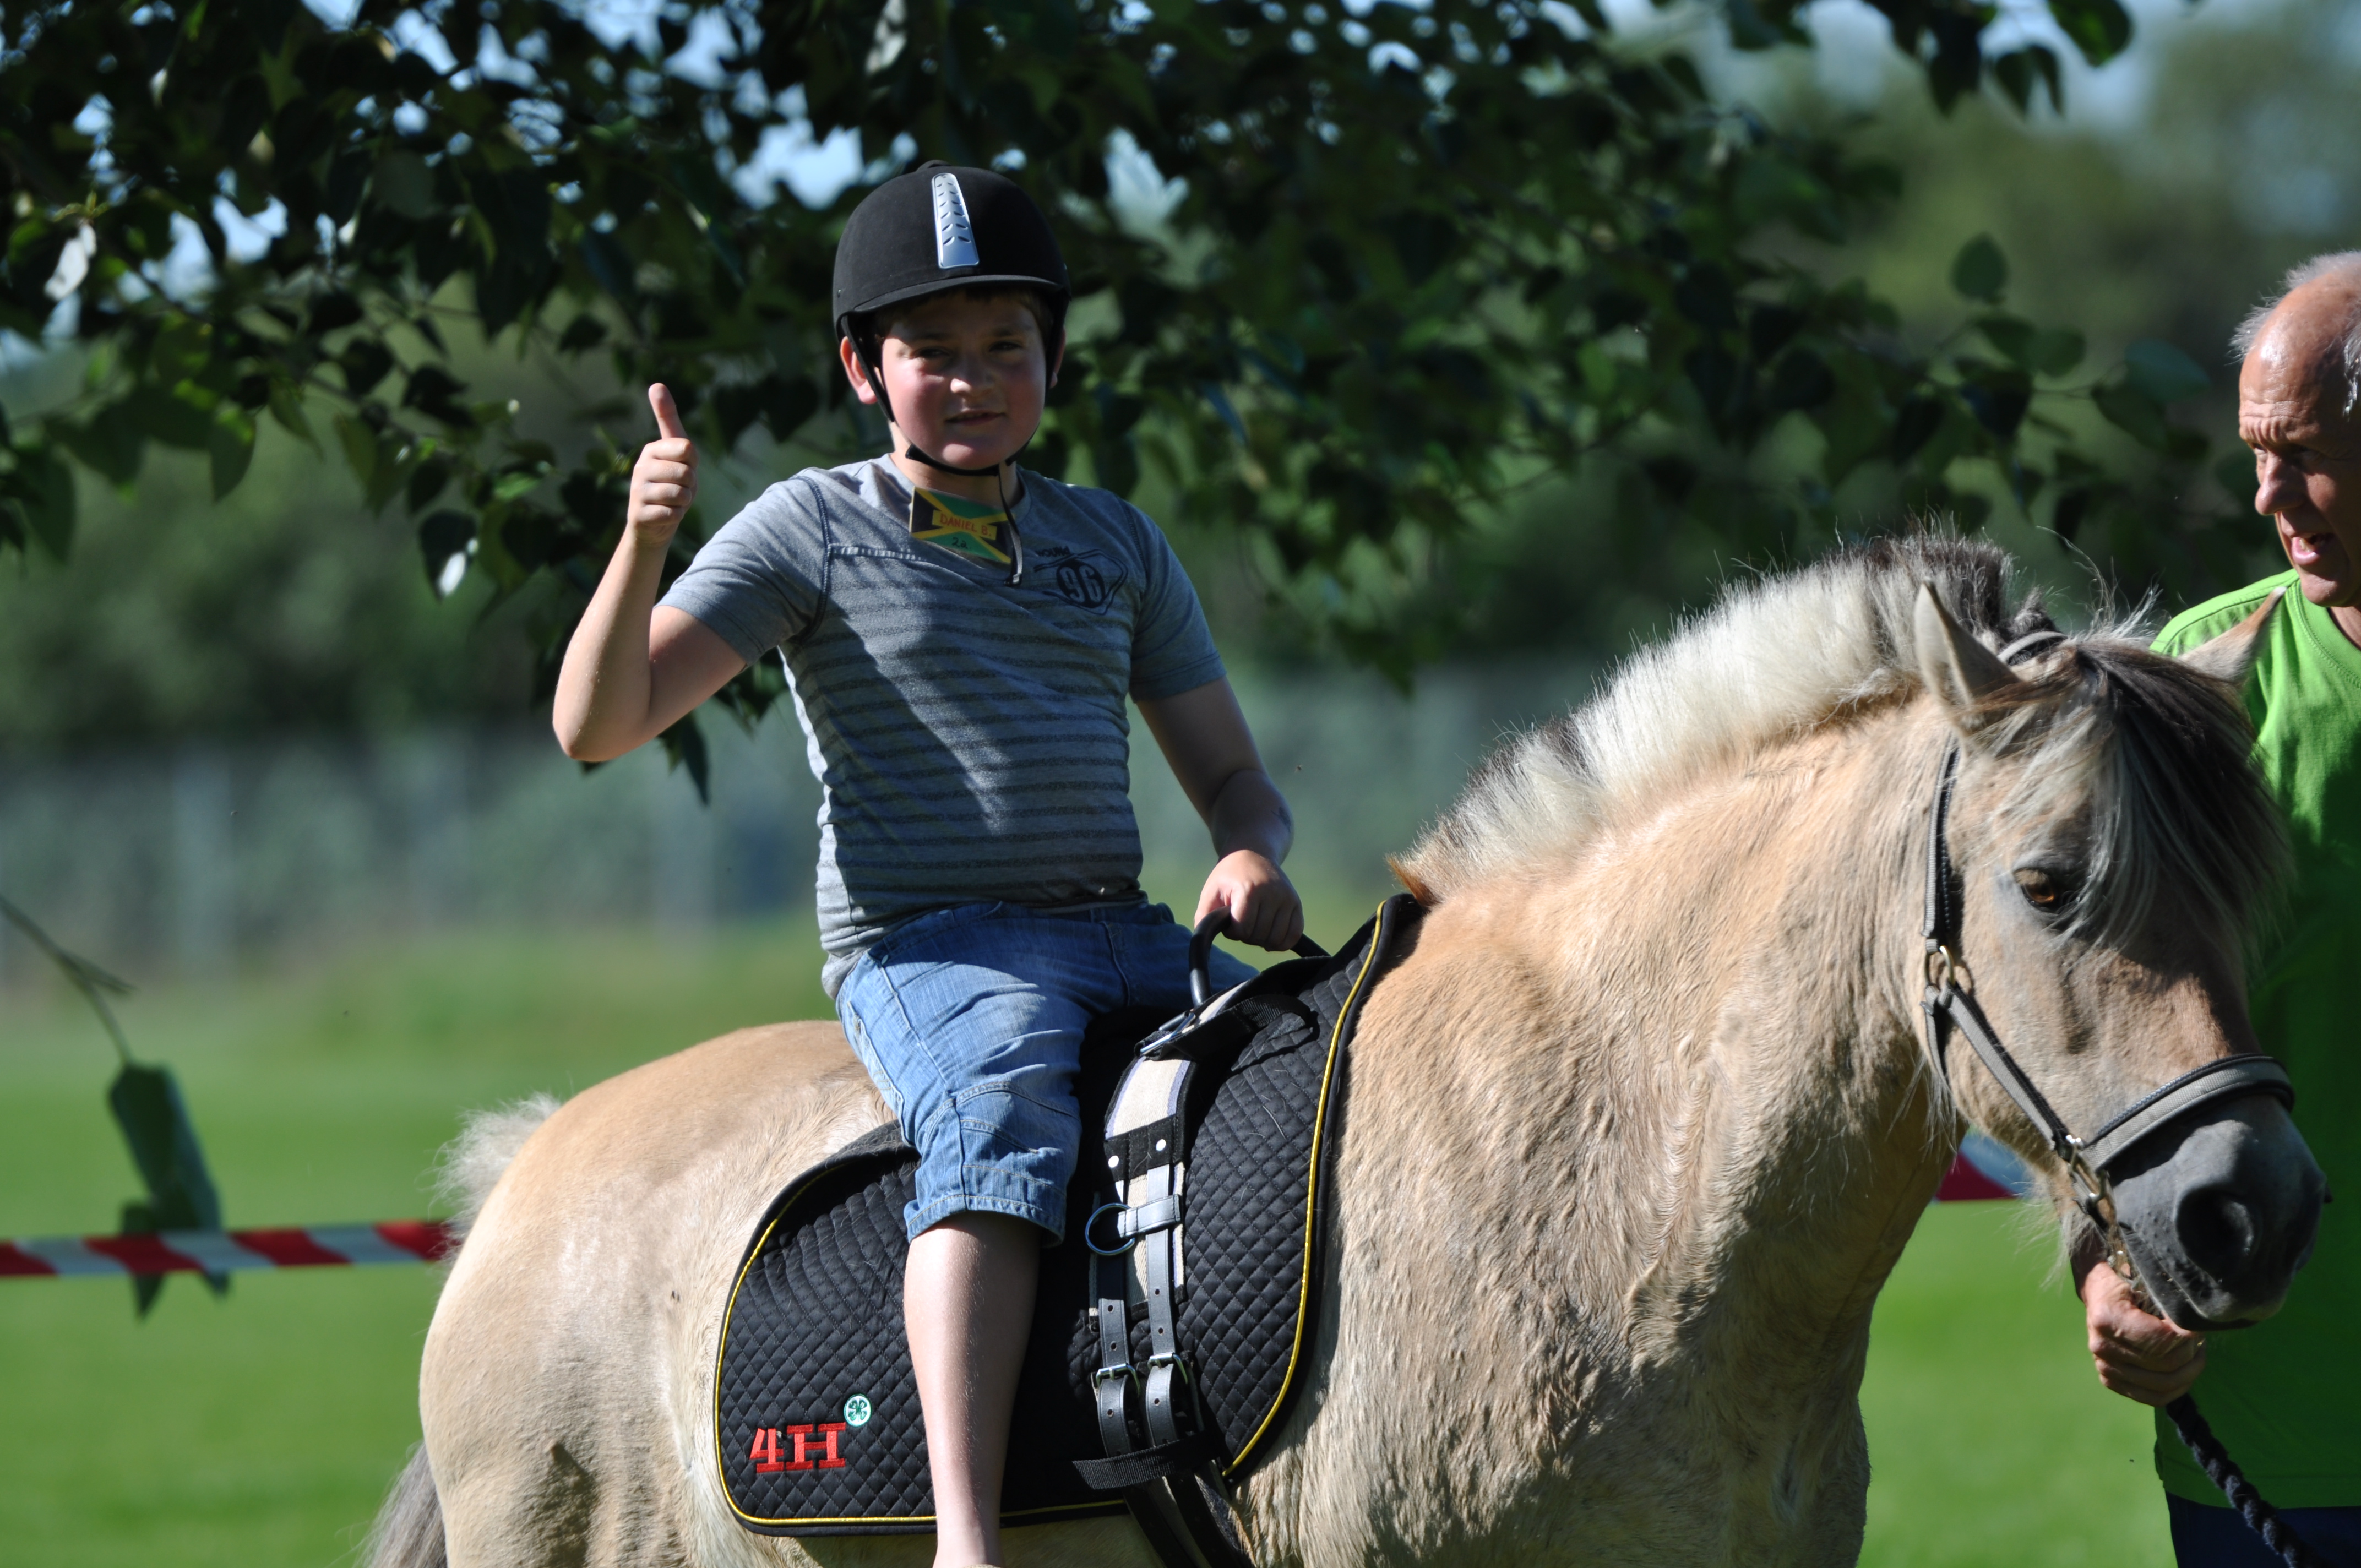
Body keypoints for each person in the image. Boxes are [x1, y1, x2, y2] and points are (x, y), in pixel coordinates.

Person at [550, 161, 1304, 1568]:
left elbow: (1230, 771)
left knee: (1296, 1078)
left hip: (1128, 931)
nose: (972, 381)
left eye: (1003, 347)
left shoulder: (1114, 543)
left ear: (1051, 358)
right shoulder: (806, 532)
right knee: (1002, 1121)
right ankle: (967, 1538)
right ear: (861, 367)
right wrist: (642, 541)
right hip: (933, 949)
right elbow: (597, 724)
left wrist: (1249, 848)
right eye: (932, 353)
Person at [2081, 252, 2361, 1565]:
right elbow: (2101, 1014)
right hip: (2276, 1430)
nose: (2266, 496)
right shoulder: (2201, 693)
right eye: (2254, 454)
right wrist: (2102, 1264)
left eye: (2302, 452)